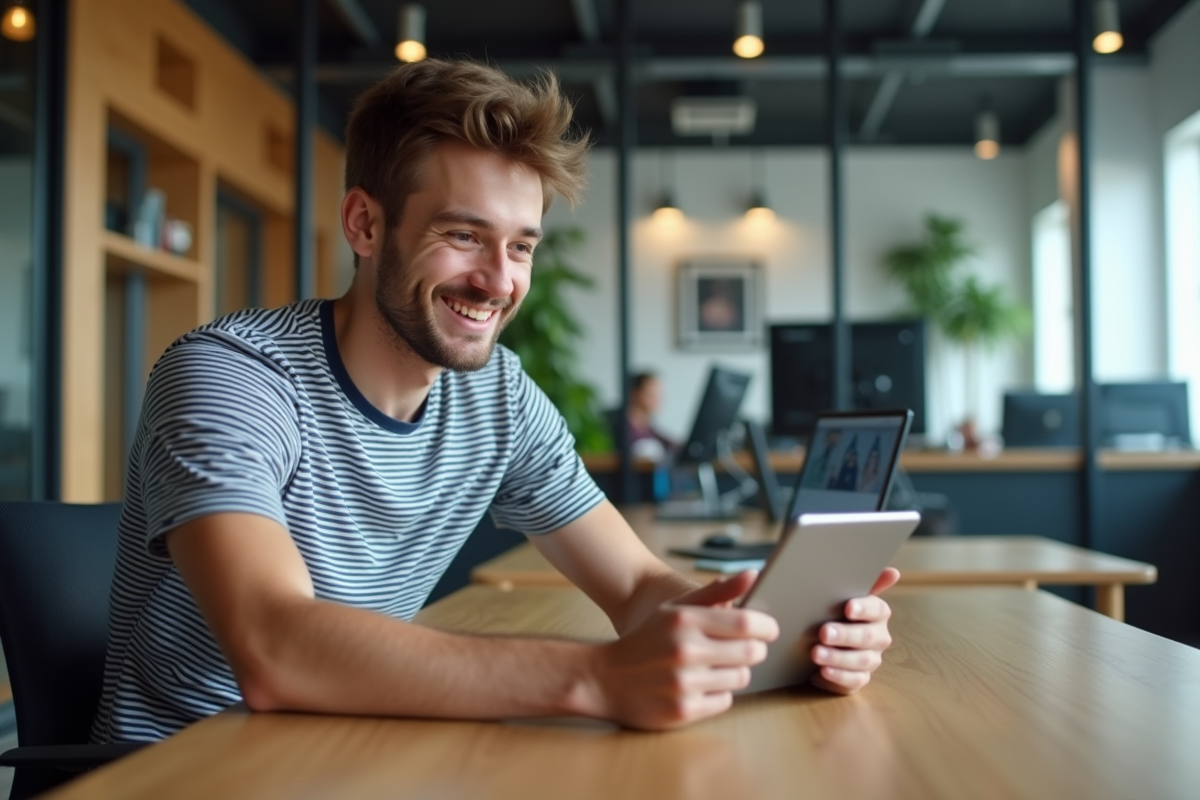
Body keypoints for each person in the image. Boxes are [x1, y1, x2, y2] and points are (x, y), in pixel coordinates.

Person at [91, 58, 898, 744]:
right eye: (463, 235)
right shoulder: (233, 378)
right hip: (185, 771)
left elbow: (637, 588)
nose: (499, 281)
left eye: (520, 246)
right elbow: (274, 645)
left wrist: (772, 631)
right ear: (365, 225)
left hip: (352, 753)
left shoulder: (498, 397)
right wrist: (594, 678)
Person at [625, 372, 676, 461]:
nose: (657, 399)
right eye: (651, 394)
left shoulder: (649, 428)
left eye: (659, 395)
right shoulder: (620, 426)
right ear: (635, 394)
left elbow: (670, 444)